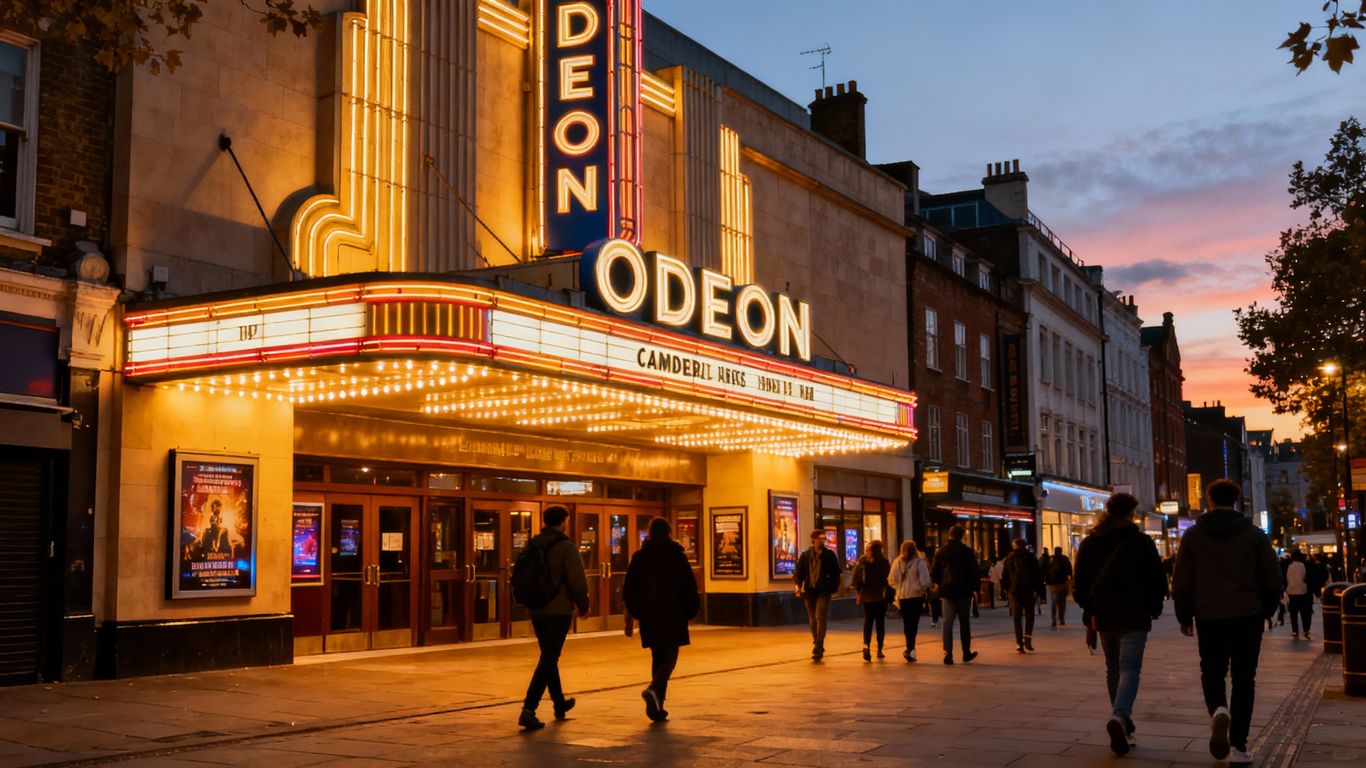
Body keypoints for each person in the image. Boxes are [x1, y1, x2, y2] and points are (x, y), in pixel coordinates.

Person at [1173, 480, 1281, 765]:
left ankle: (1219, 710)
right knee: (1245, 678)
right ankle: (1239, 745)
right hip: (1247, 615)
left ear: (1209, 500)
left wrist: (1184, 615)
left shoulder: (1194, 536)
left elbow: (1182, 580)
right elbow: (1272, 578)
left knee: (1212, 671)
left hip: (1210, 615)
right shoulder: (1255, 535)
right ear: (1237, 500)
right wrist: (1266, 610)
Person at [1074, 492, 1167, 757]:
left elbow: (1080, 584)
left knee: (1113, 668)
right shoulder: (1141, 542)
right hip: (1135, 614)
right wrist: (1154, 607)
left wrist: (1089, 608)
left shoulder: (1091, 542)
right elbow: (1157, 580)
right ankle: (1120, 716)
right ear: (1131, 513)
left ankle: (1123, 723)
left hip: (1104, 615)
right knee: (1130, 668)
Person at [519, 505, 590, 731]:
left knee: (549, 655)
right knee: (549, 657)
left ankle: (559, 703)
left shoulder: (533, 544)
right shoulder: (565, 546)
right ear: (563, 521)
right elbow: (577, 579)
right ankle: (529, 709)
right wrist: (583, 603)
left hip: (536, 609)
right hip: (558, 609)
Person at [622, 517, 699, 722]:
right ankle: (654, 690)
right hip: (673, 612)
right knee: (671, 654)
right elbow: (689, 585)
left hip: (649, 614)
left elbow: (629, 588)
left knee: (657, 655)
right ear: (669, 533)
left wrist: (635, 612)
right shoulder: (676, 555)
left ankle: (657, 707)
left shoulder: (640, 556)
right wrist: (691, 609)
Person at [930, 525, 980, 665]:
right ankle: (966, 652)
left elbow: (934, 572)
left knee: (947, 622)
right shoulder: (967, 552)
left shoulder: (941, 552)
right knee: (964, 622)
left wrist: (940, 585)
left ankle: (948, 653)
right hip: (964, 592)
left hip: (947, 592)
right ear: (962, 535)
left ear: (949, 535)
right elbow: (974, 572)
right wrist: (975, 589)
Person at [793, 529, 840, 661]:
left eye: (824, 538)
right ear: (813, 540)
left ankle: (819, 644)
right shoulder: (806, 555)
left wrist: (832, 587)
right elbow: (799, 572)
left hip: (824, 590)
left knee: (821, 616)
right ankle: (816, 641)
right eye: (820, 538)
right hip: (810, 590)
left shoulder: (829, 555)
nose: (823, 540)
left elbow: (836, 572)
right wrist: (797, 585)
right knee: (812, 617)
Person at [1001, 537, 1045, 653]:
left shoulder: (1009, 558)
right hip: (1029, 590)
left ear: (1015, 545)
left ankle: (1019, 642)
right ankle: (1028, 638)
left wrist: (1005, 589)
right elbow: (1037, 574)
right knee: (1030, 615)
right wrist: (1039, 590)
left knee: (1017, 617)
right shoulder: (1031, 557)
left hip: (1014, 591)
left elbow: (1005, 575)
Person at [889, 540, 931, 661]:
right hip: (916, 597)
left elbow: (891, 580)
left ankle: (909, 647)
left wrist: (899, 587)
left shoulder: (897, 562)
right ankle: (910, 648)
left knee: (907, 623)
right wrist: (919, 589)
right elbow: (926, 581)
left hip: (903, 598)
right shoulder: (919, 563)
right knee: (914, 623)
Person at [851, 539, 892, 661]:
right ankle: (879, 649)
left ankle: (866, 646)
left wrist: (858, 591)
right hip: (880, 596)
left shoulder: (863, 561)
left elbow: (855, 578)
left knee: (868, 621)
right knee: (880, 623)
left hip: (867, 597)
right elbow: (888, 580)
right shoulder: (884, 562)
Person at [1284, 549, 1312, 640]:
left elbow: (1287, 578)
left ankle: (1295, 630)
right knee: (1304, 612)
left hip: (1291, 591)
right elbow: (1304, 576)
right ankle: (1306, 630)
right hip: (1302, 591)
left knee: (1293, 614)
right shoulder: (1303, 565)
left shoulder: (1289, 566)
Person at [1045, 546, 1073, 627]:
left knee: (1054, 602)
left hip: (1053, 584)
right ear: (1061, 551)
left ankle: (1054, 619)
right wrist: (1071, 578)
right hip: (1063, 583)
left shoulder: (1051, 559)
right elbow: (1069, 569)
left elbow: (1046, 570)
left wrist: (1047, 581)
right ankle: (1061, 619)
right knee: (1062, 602)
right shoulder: (1065, 559)